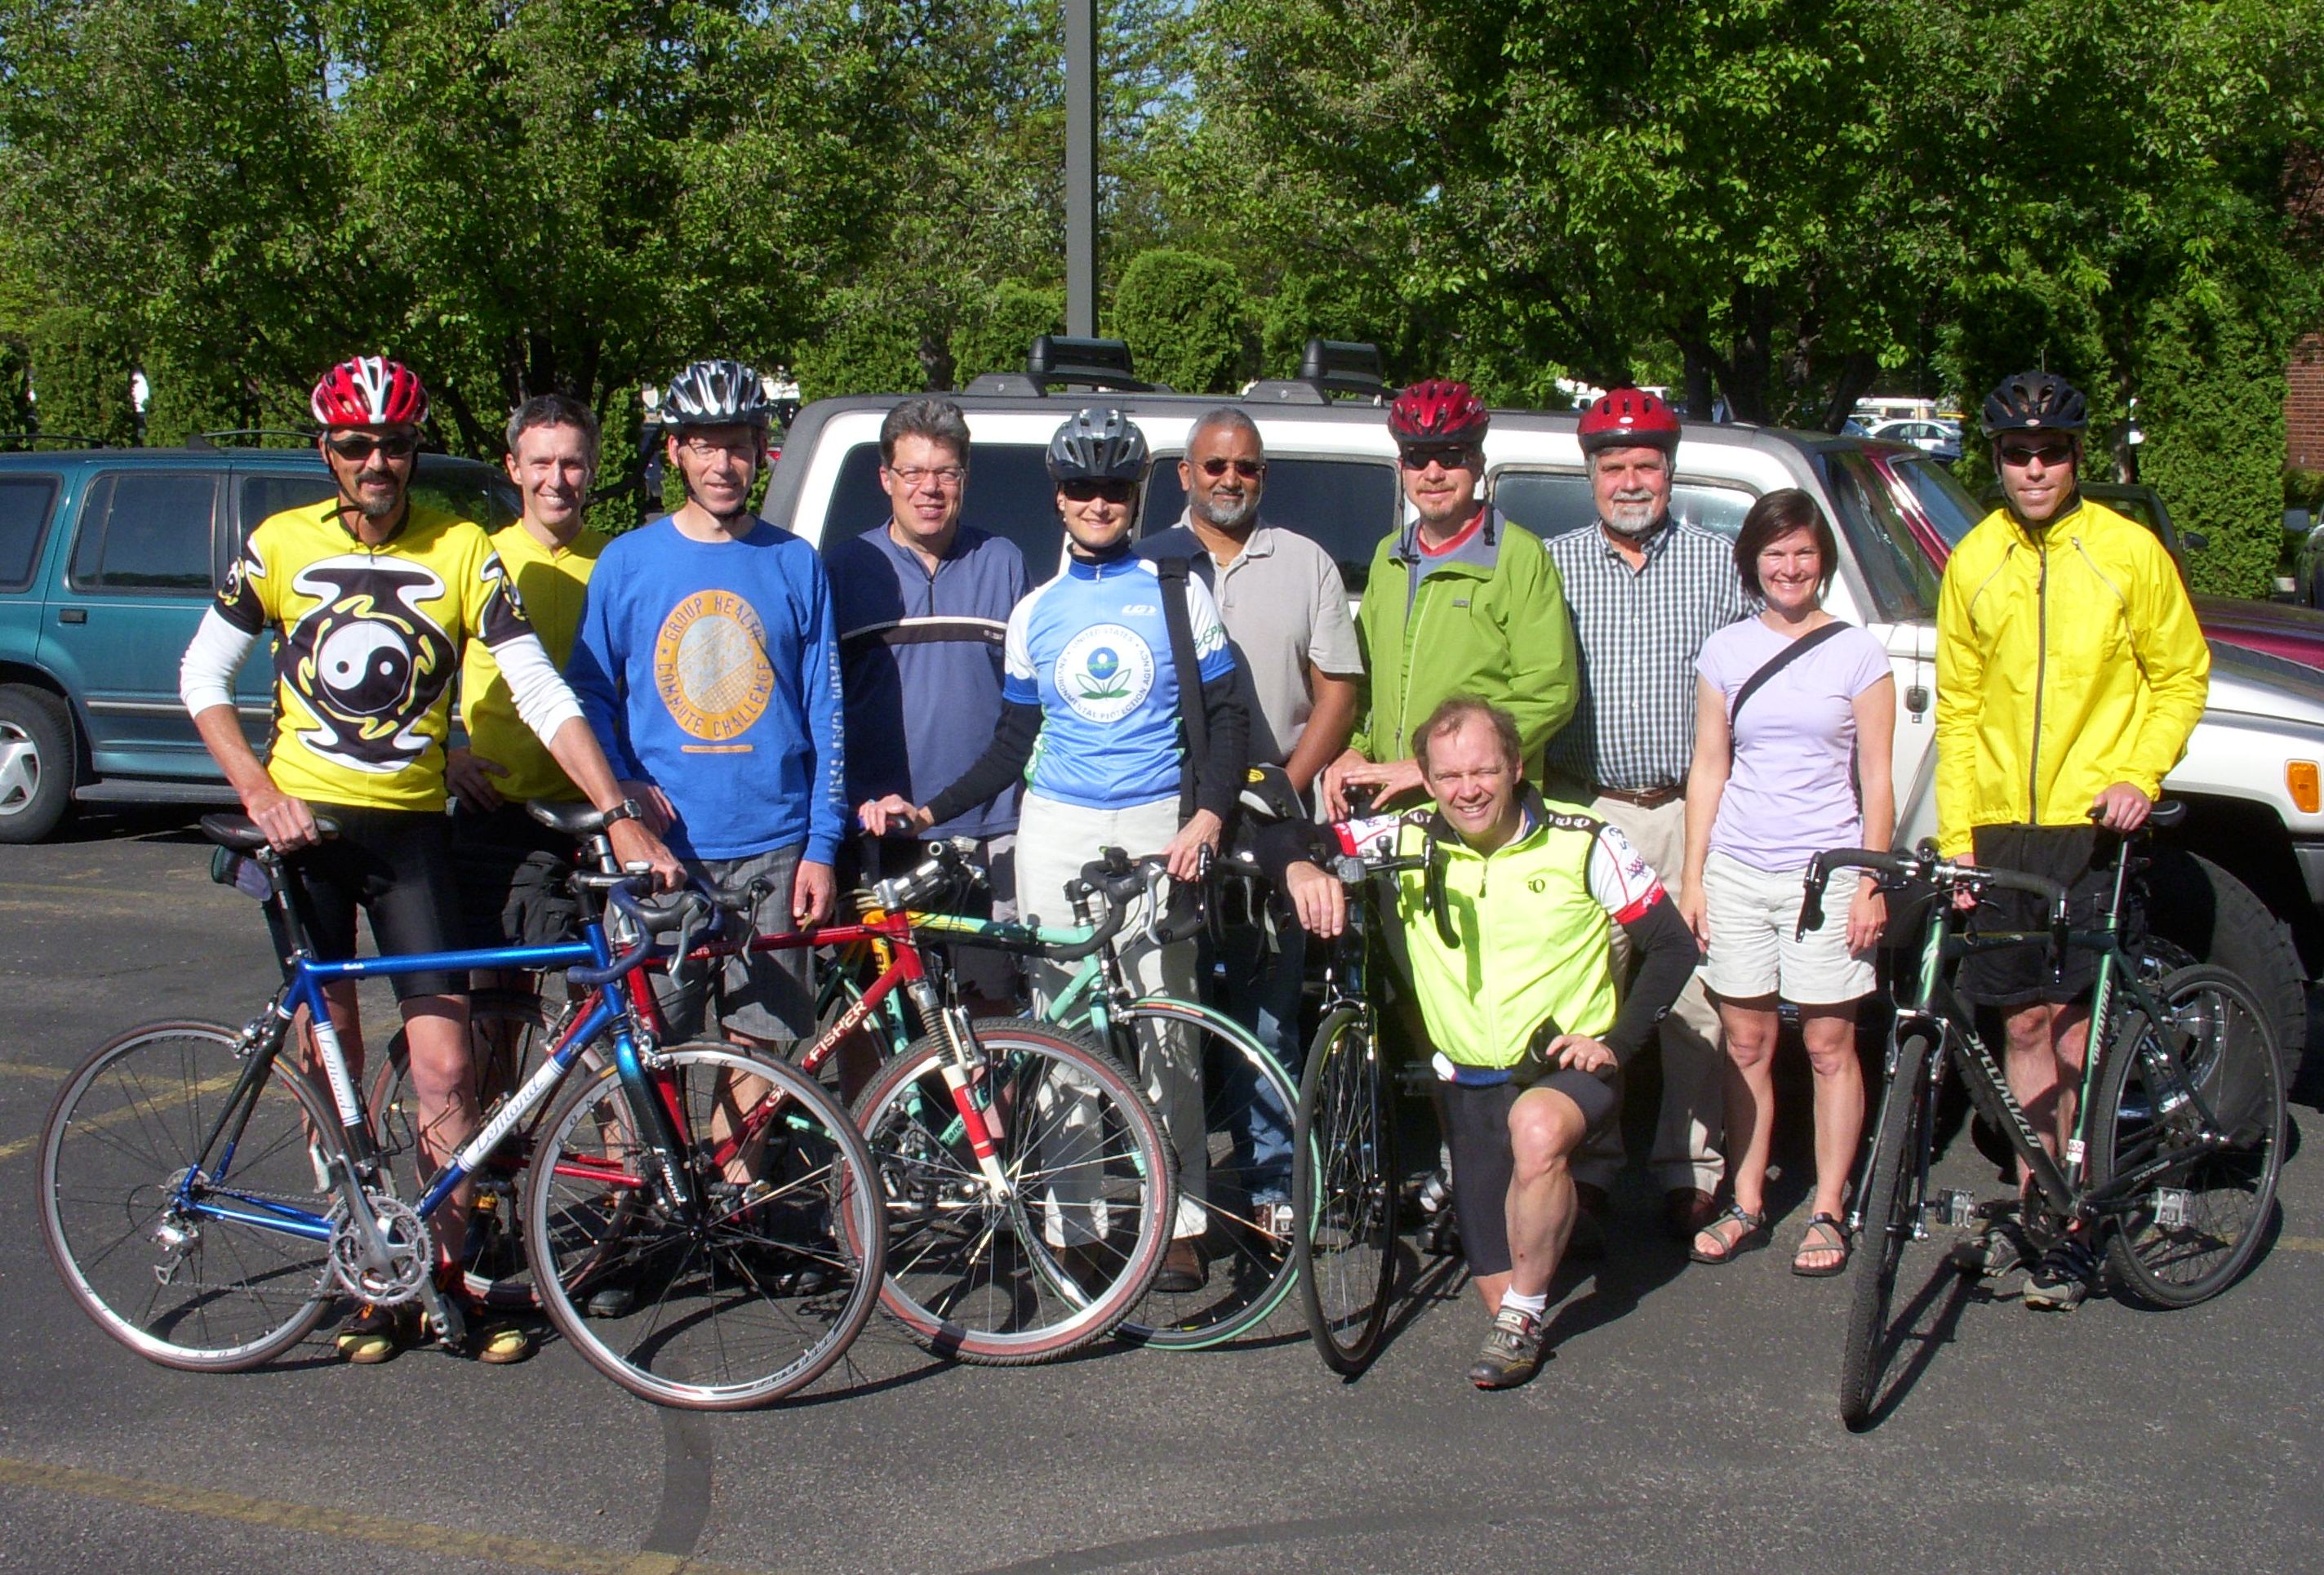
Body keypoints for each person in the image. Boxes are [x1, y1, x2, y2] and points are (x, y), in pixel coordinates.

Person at [177, 355, 680, 1364]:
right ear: (327, 451)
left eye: (394, 444)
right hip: (305, 835)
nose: (377, 461)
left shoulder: (458, 548)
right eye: (356, 445)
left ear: (414, 453)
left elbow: (540, 689)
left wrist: (616, 810)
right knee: (341, 1066)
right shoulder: (278, 543)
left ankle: (448, 1274)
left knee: (445, 1066)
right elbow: (202, 671)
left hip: (411, 834)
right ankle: (364, 1271)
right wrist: (258, 791)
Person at [860, 407, 1249, 1294]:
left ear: (1137, 494)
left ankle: (1178, 1219)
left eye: (1115, 487)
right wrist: (931, 807)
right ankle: (1075, 1220)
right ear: (1059, 496)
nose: (1098, 502)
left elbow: (1229, 716)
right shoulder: (1034, 610)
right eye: (1082, 487)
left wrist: (1209, 817)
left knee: (1164, 1023)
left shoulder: (1177, 591)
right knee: (1062, 1029)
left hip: (1158, 823)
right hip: (1058, 828)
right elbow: (1010, 742)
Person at [1261, 697, 1695, 1389]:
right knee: (1497, 1282)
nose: (1468, 789)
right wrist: (1300, 869)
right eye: (1450, 775)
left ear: (1515, 766)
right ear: (1426, 780)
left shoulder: (1583, 839)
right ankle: (1535, 1259)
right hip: (1467, 1081)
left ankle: (1526, 1305)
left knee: (1535, 1136)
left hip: (1562, 1070)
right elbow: (1287, 837)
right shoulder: (1408, 836)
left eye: (1484, 771)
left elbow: (1672, 945)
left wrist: (1614, 1042)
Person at [1936, 369, 2209, 1310]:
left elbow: (2182, 677)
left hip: (2094, 823)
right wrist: (1959, 835)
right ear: (1999, 460)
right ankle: (2038, 1200)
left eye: (2053, 452)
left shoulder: (2128, 554)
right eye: (2019, 453)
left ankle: (2083, 1216)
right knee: (2018, 1021)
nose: (2036, 467)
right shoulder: (1973, 560)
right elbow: (1962, 710)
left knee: (2077, 1027)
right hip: (2006, 825)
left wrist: (2139, 773)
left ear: (2077, 458)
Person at [566, 357, 845, 1056]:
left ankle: (737, 1174)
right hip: (662, 853)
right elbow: (590, 694)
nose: (723, 463)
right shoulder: (626, 563)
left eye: (738, 443)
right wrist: (623, 792)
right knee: (639, 1056)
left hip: (775, 852)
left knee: (760, 1057)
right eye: (704, 443)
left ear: (760, 449)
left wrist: (821, 845)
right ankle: (655, 1173)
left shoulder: (794, 561)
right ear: (675, 450)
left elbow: (826, 709)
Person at [1140, 407, 1362, 1226]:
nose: (1230, 480)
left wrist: (1284, 787)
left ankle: (1273, 1195)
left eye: (1247, 468)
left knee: (1272, 1013)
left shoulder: (1303, 562)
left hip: (1275, 821)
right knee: (1171, 1022)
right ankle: (1181, 1207)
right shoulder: (1147, 562)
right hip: (1169, 824)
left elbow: (1339, 684)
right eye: (1215, 466)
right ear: (1185, 474)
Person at [1544, 386, 1749, 1247]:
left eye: (1647, 464)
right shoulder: (1548, 563)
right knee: (1591, 988)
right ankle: (1588, 1165)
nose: (1632, 479)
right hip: (1586, 807)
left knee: (1696, 997)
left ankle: (1688, 1170)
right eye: (1614, 465)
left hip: (1688, 810)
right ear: (1590, 473)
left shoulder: (1721, 565)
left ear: (1671, 471)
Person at [1677, 489, 1896, 1274]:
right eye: (1775, 554)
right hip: (1737, 866)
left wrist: (1871, 882)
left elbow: (1876, 778)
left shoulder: (1857, 654)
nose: (1790, 567)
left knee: (1831, 1045)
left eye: (1803, 552)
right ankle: (1746, 1199)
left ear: (1822, 560)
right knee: (1745, 1042)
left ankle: (1830, 1209)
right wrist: (1694, 875)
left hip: (1827, 873)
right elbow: (1710, 765)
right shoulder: (1724, 651)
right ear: (1753, 563)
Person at [825, 398, 1030, 1016]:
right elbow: (821, 704)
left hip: (987, 832)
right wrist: (853, 799)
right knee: (874, 1013)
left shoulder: (1004, 560)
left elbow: (1026, 705)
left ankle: (990, 1121)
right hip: (879, 830)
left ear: (964, 478)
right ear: (885, 478)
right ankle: (873, 1117)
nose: (929, 488)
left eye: (945, 472)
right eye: (912, 472)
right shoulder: (843, 568)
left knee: (992, 1011)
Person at [1321, 378, 1576, 816]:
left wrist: (1431, 768)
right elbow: (1362, 678)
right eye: (1418, 458)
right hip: (1391, 804)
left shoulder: (1520, 557)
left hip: (1481, 808)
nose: (1433, 472)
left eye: (1451, 456)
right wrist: (1354, 751)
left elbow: (1549, 691)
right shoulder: (1389, 556)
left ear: (1478, 464)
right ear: (1403, 466)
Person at [446, 394, 612, 963]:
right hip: (500, 810)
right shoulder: (479, 561)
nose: (557, 479)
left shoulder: (618, 562)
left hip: (597, 809)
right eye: (540, 463)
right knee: (498, 1002)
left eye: (571, 462)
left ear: (591, 466)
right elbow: (419, 681)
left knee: (600, 998)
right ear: (513, 467)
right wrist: (448, 754)